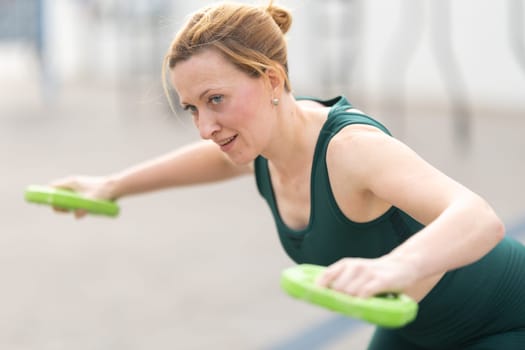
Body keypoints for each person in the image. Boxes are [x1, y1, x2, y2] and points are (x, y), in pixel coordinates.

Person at [51, 1, 525, 349]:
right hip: (418, 328)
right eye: (192, 107)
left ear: (272, 80)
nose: (205, 128)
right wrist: (111, 185)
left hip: (505, 322)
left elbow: (479, 218)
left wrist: (395, 266)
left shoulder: (352, 150)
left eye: (216, 99)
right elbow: (210, 158)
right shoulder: (261, 143)